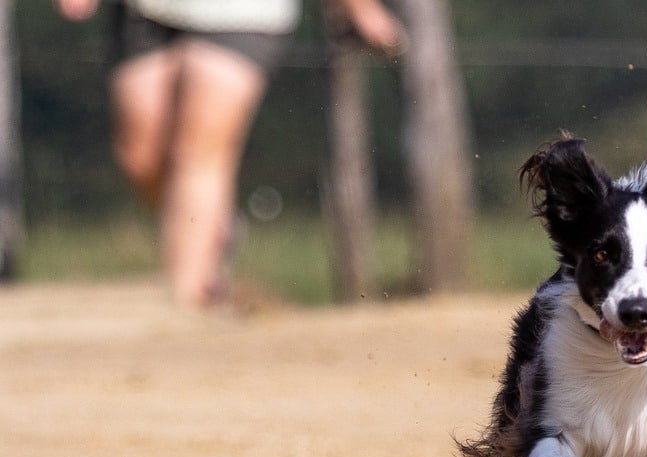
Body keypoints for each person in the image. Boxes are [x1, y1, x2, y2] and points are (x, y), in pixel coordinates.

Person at [53, 0, 405, 310]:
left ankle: (186, 302)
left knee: (197, 154)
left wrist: (358, 7)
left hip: (241, 13)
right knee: (139, 157)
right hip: (144, 12)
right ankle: (213, 229)